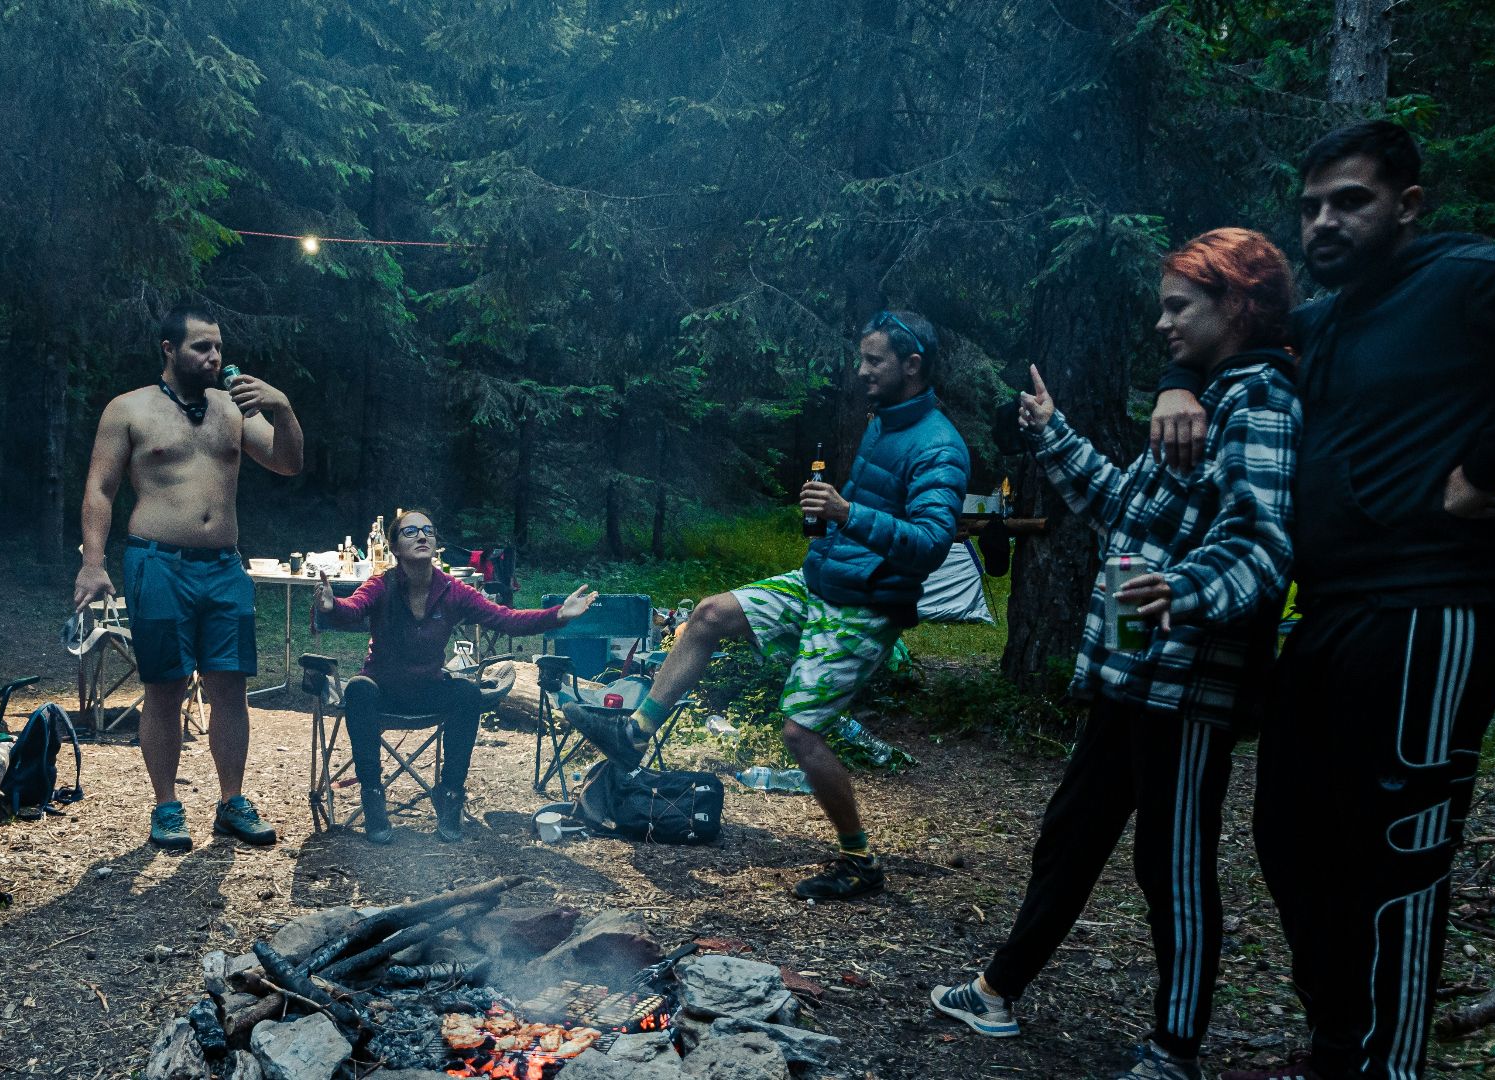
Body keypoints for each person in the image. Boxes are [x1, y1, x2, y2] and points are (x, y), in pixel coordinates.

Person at [1149, 122, 1495, 1080]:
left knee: (1399, 852)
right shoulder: (1321, 318)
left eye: (1350, 201)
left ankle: (1387, 1068)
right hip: (1325, 615)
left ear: (1408, 202)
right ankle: (1337, 1046)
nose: (1324, 221)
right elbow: (1219, 332)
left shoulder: (1470, 278)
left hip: (1435, 608)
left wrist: (1484, 470)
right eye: (1312, 205)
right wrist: (1176, 383)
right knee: (1289, 837)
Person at [929, 228, 1302, 1080]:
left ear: (1238, 304)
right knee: (1070, 834)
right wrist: (1052, 432)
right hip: (1129, 679)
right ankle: (996, 991)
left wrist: (1189, 590)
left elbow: (1264, 540)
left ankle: (1174, 1050)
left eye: (1179, 307)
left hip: (1186, 689)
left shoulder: (1262, 402)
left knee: (1172, 863)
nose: (1163, 325)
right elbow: (1121, 507)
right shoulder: (1204, 398)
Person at [569, 309, 969, 900]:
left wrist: (846, 513)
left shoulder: (940, 445)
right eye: (861, 358)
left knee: (801, 733)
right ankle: (635, 732)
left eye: (874, 361)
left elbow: (933, 546)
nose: (861, 371)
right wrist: (834, 525)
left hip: (864, 608)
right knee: (707, 614)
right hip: (822, 581)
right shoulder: (885, 419)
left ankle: (859, 861)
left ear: (911, 366)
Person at [72, 303, 305, 852]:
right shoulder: (129, 410)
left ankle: (231, 803)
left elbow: (289, 463)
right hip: (157, 562)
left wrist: (285, 408)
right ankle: (167, 807)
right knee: (165, 686)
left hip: (224, 565)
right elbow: (100, 489)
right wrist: (92, 561)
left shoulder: (234, 408)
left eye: (219, 347)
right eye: (202, 347)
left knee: (230, 685)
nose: (215, 357)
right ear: (169, 350)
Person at [313, 509, 597, 843]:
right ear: (394, 547)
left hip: (428, 689)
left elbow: (505, 618)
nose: (422, 536)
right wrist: (333, 605)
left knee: (467, 693)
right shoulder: (382, 584)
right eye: (411, 532)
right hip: (382, 690)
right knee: (359, 688)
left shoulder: (453, 591)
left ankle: (449, 794)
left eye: (428, 531)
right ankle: (373, 798)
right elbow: (355, 608)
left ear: (435, 543)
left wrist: (559, 614)